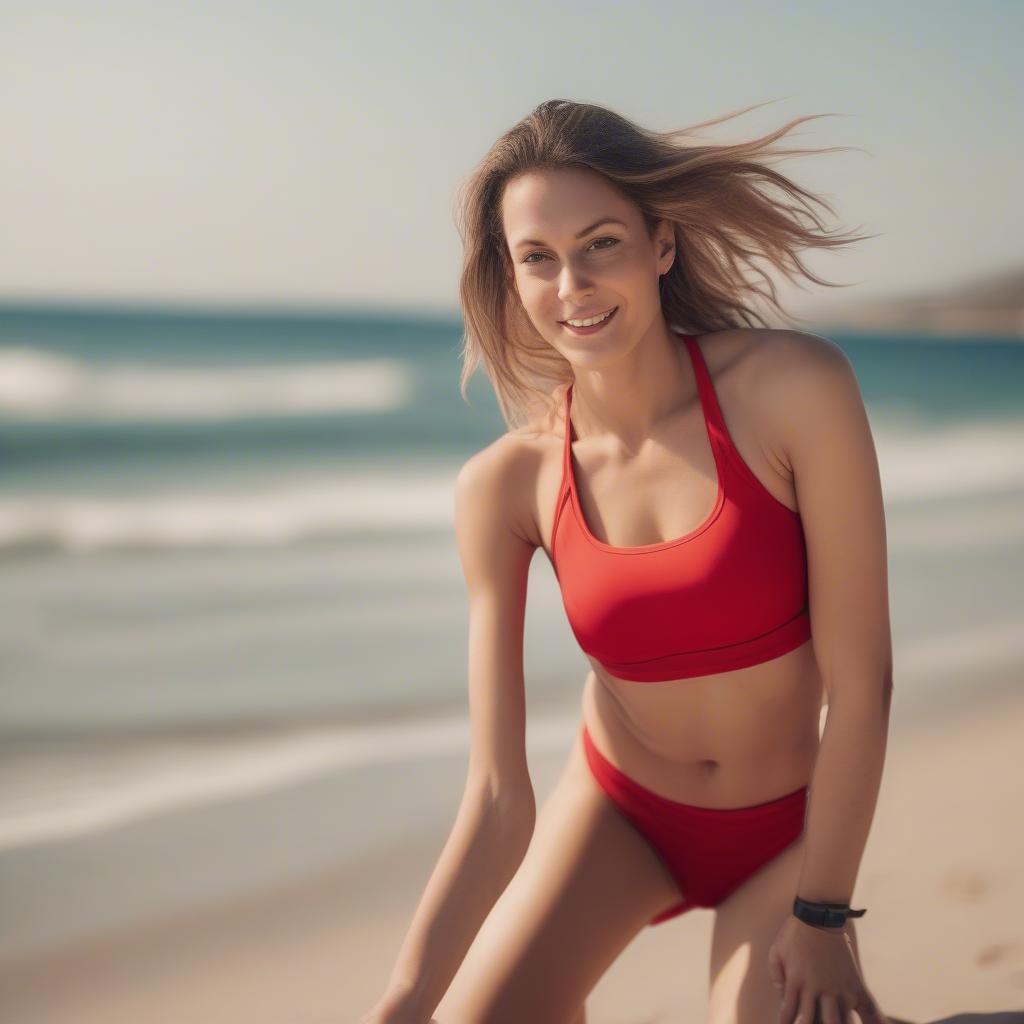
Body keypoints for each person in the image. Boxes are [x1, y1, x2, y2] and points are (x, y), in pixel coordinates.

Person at [361, 99, 899, 1024]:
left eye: (600, 242)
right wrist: (405, 999)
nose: (571, 282)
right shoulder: (506, 486)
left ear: (661, 244)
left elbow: (864, 683)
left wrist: (821, 912)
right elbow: (497, 795)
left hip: (791, 829)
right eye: (538, 256)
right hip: (621, 815)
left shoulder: (794, 391)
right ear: (510, 277)